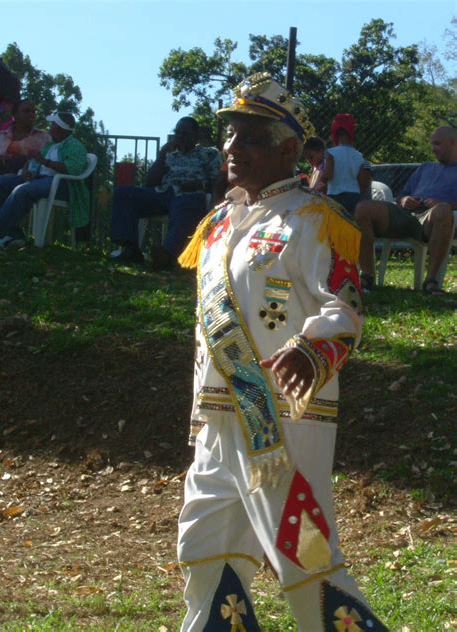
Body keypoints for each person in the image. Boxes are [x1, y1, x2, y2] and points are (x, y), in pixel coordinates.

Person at [176, 72, 388, 631]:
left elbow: (344, 308)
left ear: (288, 149)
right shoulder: (218, 224)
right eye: (229, 136)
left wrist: (312, 351)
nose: (230, 149)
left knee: (305, 561)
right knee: (203, 552)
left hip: (286, 416)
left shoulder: (314, 220)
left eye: (248, 137)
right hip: (221, 416)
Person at [110, 116, 222, 269]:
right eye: (177, 133)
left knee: (186, 205)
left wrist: (199, 184)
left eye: (185, 133)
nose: (180, 137)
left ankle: (167, 255)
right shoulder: (170, 155)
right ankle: (130, 249)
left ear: (196, 136)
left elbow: (218, 182)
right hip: (163, 192)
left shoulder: (210, 154)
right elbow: (150, 183)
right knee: (123, 194)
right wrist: (163, 153)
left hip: (189, 193)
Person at [356, 125, 457, 294]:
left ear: (454, 143)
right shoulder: (425, 167)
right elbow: (401, 195)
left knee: (442, 210)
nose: (432, 148)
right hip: (406, 214)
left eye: (437, 144)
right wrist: (404, 200)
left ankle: (430, 281)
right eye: (432, 144)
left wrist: (443, 203)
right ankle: (367, 277)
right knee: (363, 208)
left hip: (432, 220)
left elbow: (445, 208)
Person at [0, 112, 88, 247]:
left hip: (61, 185)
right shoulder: (50, 145)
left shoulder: (75, 146)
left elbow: (73, 169)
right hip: (39, 180)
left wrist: (46, 162)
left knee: (22, 190)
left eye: (53, 124)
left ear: (60, 129)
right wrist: (28, 170)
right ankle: (14, 235)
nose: (50, 127)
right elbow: (35, 162)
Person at [0, 99, 50, 187]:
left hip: (26, 177)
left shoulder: (44, 138)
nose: (31, 114)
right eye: (26, 111)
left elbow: (48, 163)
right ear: (14, 115)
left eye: (34, 111)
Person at [320, 113, 371, 216]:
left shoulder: (330, 153)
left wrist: (322, 179)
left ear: (335, 134)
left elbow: (328, 175)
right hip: (354, 196)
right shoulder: (359, 156)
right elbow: (361, 181)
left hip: (335, 196)